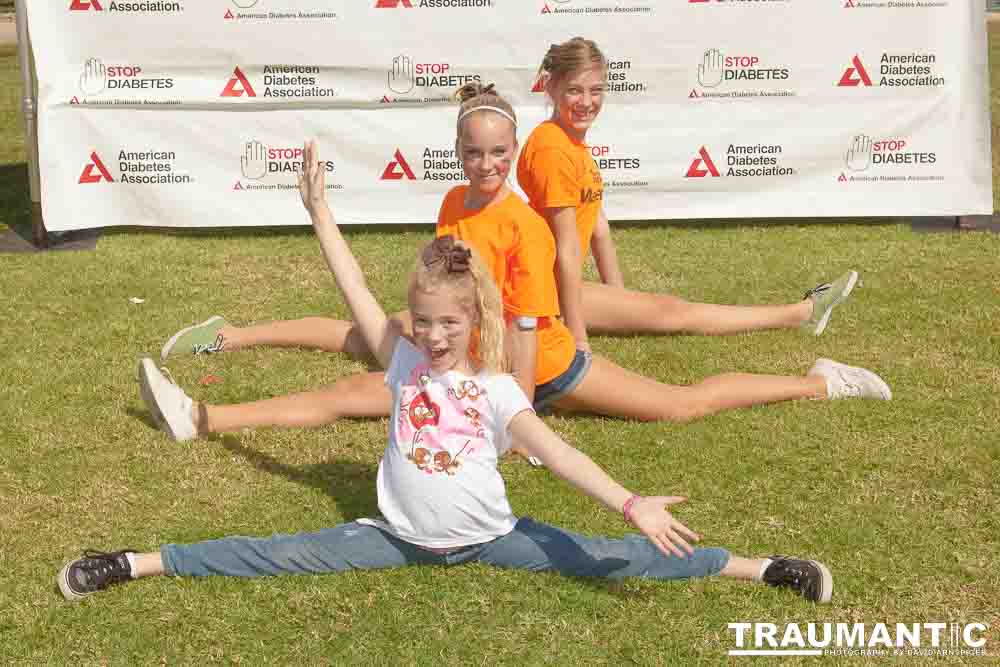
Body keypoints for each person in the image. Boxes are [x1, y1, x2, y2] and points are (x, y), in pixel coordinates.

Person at [58, 156, 833, 604]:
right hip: (396, 538)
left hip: (495, 539)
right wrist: (320, 212)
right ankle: (134, 561)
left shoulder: (496, 392)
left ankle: (757, 566)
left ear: (474, 325)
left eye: (446, 326)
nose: (430, 336)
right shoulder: (399, 359)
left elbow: (559, 457)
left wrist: (632, 502)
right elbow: (354, 289)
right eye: (421, 322)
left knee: (613, 555)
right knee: (279, 550)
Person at [139, 84, 890, 444]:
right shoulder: (452, 203)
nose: (489, 163)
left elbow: (531, 328)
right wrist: (435, 350)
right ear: (459, 153)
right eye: (475, 152)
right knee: (355, 370)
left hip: (543, 368)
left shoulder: (526, 228)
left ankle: (819, 378)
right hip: (464, 358)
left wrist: (515, 417)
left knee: (680, 403)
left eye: (500, 152)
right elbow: (446, 288)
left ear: (511, 151)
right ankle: (203, 409)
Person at [518, 36, 855, 352]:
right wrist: (578, 338)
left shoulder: (571, 143)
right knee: (674, 313)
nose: (587, 102)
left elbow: (598, 227)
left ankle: (802, 310)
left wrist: (622, 299)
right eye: (575, 90)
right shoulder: (552, 149)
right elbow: (567, 246)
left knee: (667, 308)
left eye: (596, 90)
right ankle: (802, 312)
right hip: (548, 291)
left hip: (558, 285)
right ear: (551, 87)